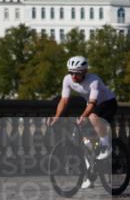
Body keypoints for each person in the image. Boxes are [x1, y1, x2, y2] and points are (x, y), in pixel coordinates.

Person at [48, 56, 118, 188]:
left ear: (85, 72)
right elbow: (64, 100)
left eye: (77, 73)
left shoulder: (94, 81)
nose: (74, 76)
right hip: (92, 105)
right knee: (85, 142)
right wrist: (57, 117)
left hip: (108, 103)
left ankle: (105, 145)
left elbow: (92, 103)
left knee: (91, 116)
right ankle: (91, 174)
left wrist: (83, 116)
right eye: (71, 73)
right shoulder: (67, 80)